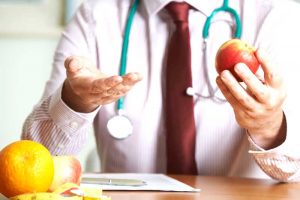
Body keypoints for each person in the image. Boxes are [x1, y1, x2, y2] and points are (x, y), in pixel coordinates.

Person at [22, 0, 300, 182]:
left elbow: (293, 172)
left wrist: (269, 126)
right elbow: (35, 160)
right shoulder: (95, 16)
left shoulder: (275, 14)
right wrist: (74, 102)